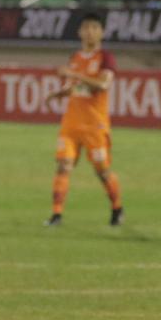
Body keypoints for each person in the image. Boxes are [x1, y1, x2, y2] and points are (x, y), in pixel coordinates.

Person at [45, 13, 123, 227]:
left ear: (102, 32)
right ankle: (56, 215)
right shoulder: (76, 58)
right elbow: (75, 87)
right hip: (71, 123)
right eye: (86, 27)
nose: (90, 31)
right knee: (63, 166)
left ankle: (117, 208)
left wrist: (74, 74)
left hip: (95, 125)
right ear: (80, 32)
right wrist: (57, 94)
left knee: (102, 171)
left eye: (94, 27)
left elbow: (102, 85)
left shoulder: (106, 58)